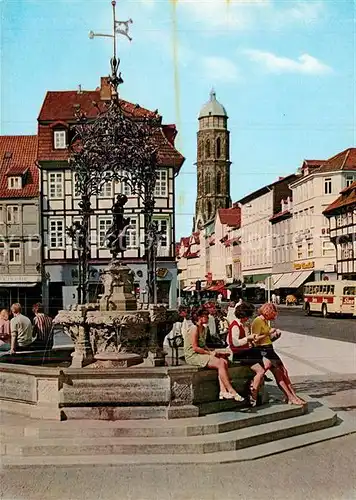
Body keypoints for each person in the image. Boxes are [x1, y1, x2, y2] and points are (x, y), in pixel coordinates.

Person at [184, 307, 244, 401]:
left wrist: (215, 352)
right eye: (206, 316)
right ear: (199, 317)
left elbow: (203, 345)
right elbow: (195, 348)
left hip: (201, 353)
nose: (208, 317)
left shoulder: (204, 328)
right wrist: (210, 353)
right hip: (192, 355)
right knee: (220, 363)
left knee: (223, 360)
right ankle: (231, 390)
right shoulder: (194, 328)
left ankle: (223, 391)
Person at [251, 303, 305, 405]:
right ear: (268, 312)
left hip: (269, 349)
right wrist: (269, 333)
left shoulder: (264, 321)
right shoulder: (258, 321)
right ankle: (290, 397)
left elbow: (266, 338)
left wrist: (274, 336)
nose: (274, 317)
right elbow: (255, 339)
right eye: (273, 314)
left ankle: (293, 395)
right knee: (279, 374)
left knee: (284, 372)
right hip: (264, 350)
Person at [227, 302, 265, 406]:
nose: (248, 319)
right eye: (247, 317)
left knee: (261, 356)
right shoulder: (235, 325)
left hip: (244, 351)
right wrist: (248, 338)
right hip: (238, 353)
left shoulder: (244, 325)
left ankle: (254, 387)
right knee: (261, 368)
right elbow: (235, 343)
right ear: (243, 315)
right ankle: (254, 391)